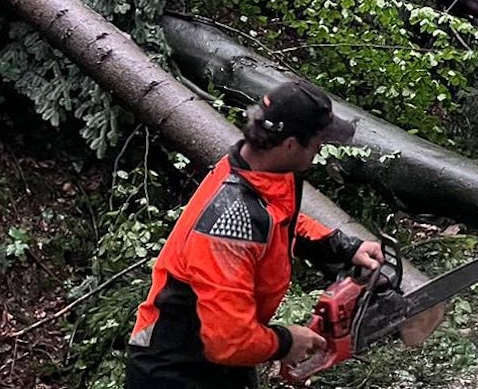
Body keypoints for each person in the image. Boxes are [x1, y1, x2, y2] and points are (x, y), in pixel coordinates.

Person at [126, 79, 384, 388]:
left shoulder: (262, 173)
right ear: (290, 144)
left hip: (221, 360)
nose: (318, 152)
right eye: (317, 144)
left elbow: (282, 222)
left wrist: (343, 247)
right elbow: (227, 340)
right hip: (175, 369)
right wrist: (286, 341)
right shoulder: (229, 224)